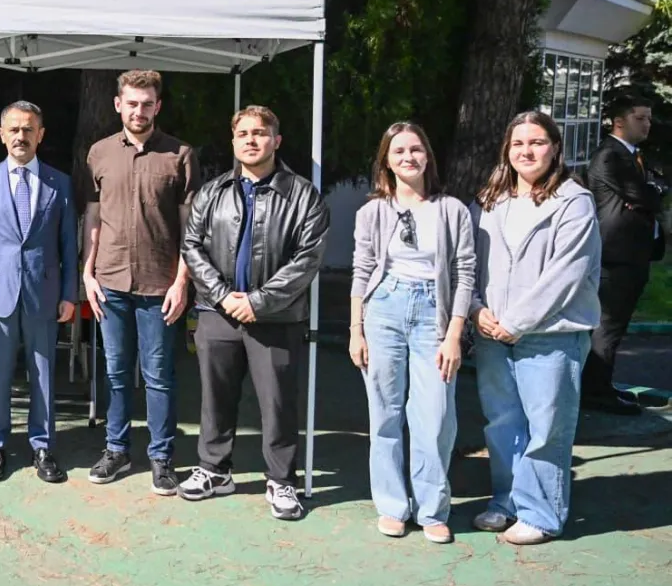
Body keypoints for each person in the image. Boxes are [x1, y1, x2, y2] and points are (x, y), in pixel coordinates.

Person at [179, 106, 329, 520]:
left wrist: (258, 302)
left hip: (276, 319)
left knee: (277, 402)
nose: (251, 140)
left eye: (260, 133)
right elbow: (192, 246)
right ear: (233, 141)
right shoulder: (213, 192)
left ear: (276, 141)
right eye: (242, 133)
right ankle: (215, 470)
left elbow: (307, 258)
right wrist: (224, 295)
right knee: (215, 397)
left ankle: (281, 481)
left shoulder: (301, 195)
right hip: (217, 313)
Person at [470, 111, 601, 545]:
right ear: (507, 151)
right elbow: (468, 261)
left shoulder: (574, 201)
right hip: (492, 334)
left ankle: (542, 514)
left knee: (547, 427)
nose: (526, 151)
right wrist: (475, 309)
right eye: (517, 144)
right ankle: (507, 501)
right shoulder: (491, 199)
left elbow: (566, 275)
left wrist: (517, 322)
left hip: (550, 336)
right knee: (502, 423)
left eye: (537, 142)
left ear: (555, 148)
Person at [348, 122, 475, 543]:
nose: (408, 157)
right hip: (383, 309)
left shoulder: (451, 210)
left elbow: (464, 272)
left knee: (436, 415)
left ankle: (432, 507)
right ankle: (392, 504)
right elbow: (362, 271)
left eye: (416, 149)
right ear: (386, 160)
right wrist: (356, 330)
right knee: (384, 412)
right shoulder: (372, 212)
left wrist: (454, 333)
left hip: (432, 316)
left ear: (428, 157)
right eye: (399, 151)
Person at [82, 70, 201, 496]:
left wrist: (182, 282)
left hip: (159, 284)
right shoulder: (98, 154)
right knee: (115, 373)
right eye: (132, 103)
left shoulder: (180, 154)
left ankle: (162, 457)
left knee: (158, 376)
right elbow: (94, 217)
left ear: (158, 106)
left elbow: (191, 228)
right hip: (110, 282)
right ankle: (116, 449)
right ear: (118, 105)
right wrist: (87, 273)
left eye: (147, 103)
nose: (139, 111)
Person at [0, 102, 79, 484]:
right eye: (14, 129)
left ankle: (43, 446)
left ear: (41, 135)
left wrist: (70, 293)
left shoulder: (59, 183)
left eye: (28, 129)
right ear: (2, 134)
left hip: (44, 293)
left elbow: (69, 243)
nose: (21, 136)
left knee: (43, 373)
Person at [583, 94, 665, 415]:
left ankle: (601, 385)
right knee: (606, 326)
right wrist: (650, 193)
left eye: (648, 118)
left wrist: (651, 193)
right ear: (620, 121)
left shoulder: (633, 157)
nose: (647, 124)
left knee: (614, 329)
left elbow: (650, 194)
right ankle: (595, 393)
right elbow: (644, 195)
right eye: (640, 118)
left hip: (633, 257)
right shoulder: (609, 156)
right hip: (615, 259)